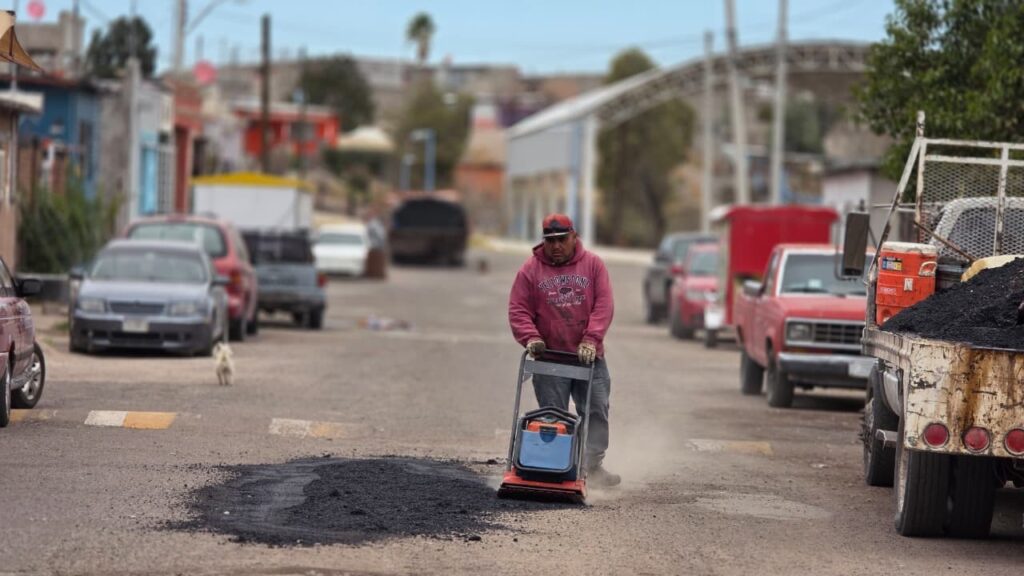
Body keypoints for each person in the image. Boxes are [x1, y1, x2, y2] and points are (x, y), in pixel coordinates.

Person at [508, 213, 620, 487]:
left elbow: (603, 305)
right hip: (550, 357)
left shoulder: (593, 265)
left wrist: (591, 339)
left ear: (574, 237)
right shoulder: (530, 270)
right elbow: (518, 309)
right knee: (553, 417)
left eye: (562, 239)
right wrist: (531, 338)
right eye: (550, 241)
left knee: (596, 410)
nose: (556, 246)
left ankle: (592, 466)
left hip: (588, 357)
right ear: (544, 241)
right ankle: (555, 467)